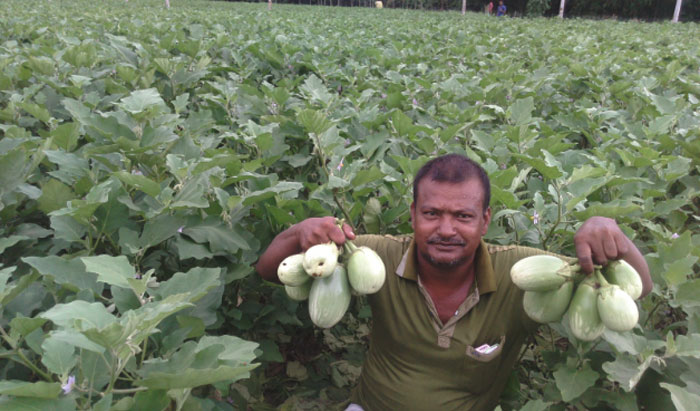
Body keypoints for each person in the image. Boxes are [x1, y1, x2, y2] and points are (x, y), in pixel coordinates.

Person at [255, 154, 652, 410]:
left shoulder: (522, 273)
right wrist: (299, 233)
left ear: (485, 220)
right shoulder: (376, 257)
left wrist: (607, 232)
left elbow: (638, 291)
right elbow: (269, 270)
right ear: (412, 215)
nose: (446, 229)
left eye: (462, 217)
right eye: (431, 213)